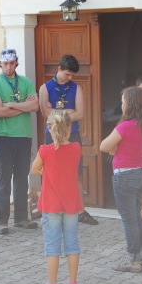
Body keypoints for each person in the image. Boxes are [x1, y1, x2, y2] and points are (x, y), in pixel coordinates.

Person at [100, 86, 142, 273]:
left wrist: (114, 148)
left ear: (130, 104)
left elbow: (104, 146)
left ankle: (133, 260)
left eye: (123, 101)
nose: (122, 105)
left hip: (125, 175)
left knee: (129, 219)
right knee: (136, 215)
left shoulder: (124, 126)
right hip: (141, 172)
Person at [38, 54, 99, 226]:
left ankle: (80, 211)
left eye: (72, 75)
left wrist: (57, 113)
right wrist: (68, 111)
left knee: (76, 173)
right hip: (52, 135)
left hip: (72, 135)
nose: (70, 78)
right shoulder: (45, 88)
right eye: (67, 74)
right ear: (59, 69)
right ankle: (50, 210)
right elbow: (45, 113)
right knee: (50, 172)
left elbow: (80, 114)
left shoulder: (76, 88)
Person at [31, 110, 83, 284]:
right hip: (71, 204)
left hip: (51, 204)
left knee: (52, 248)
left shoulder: (44, 151)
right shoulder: (76, 148)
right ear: (69, 128)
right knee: (72, 245)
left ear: (49, 129)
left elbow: (34, 168)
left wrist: (47, 171)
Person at [0, 48, 39, 234]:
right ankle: (2, 221)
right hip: (5, 137)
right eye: (5, 63)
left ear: (16, 62)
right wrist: (23, 106)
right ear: (0, 64)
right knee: (4, 178)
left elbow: (35, 105)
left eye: (11, 63)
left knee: (21, 178)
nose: (9, 67)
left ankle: (21, 218)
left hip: (24, 136)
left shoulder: (26, 82)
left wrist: (10, 104)